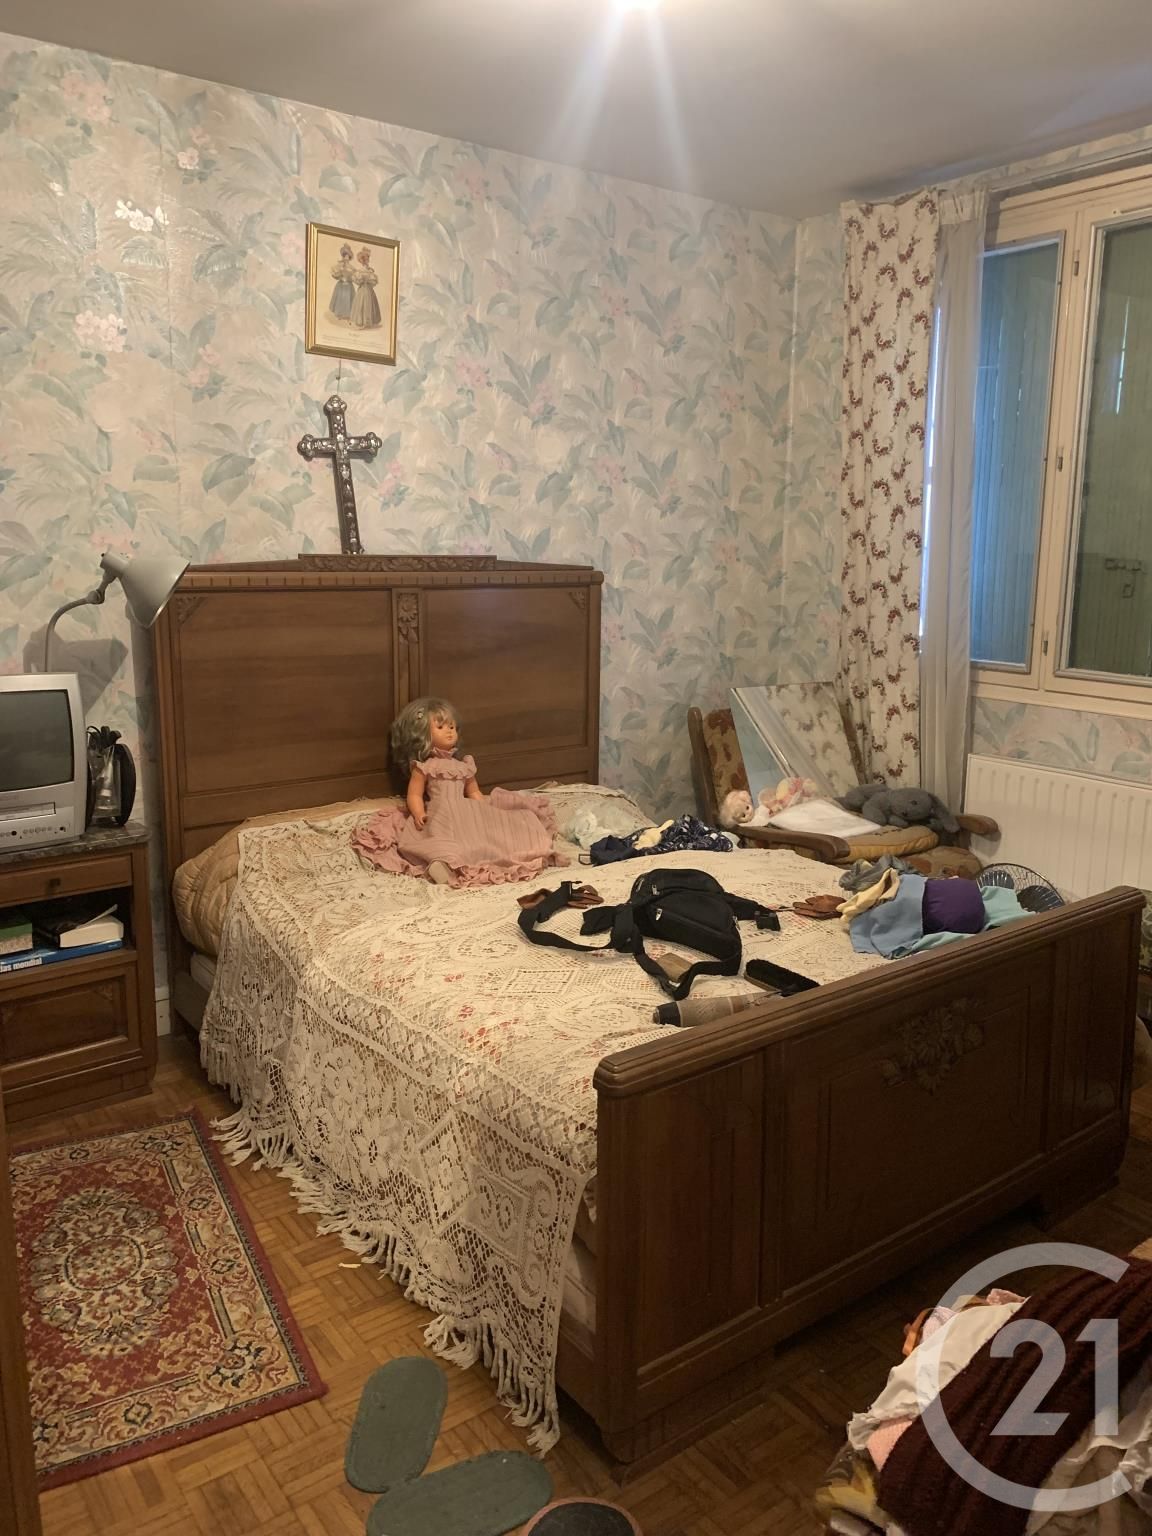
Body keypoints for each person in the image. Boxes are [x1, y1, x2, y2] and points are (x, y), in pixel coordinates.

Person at [352, 697, 565, 887]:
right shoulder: (424, 767)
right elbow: (415, 794)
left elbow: (473, 792)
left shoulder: (463, 766)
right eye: (441, 726)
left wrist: (485, 811)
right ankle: (441, 864)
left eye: (452, 726)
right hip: (439, 811)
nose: (449, 731)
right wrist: (418, 812)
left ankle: (473, 859)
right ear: (421, 733)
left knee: (480, 840)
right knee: (439, 837)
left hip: (466, 812)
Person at [349, 246, 382, 330]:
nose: (368, 260)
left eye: (368, 258)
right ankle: (362, 322)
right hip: (363, 289)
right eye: (366, 258)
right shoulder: (360, 270)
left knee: (369, 304)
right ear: (363, 260)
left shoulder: (370, 270)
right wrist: (363, 280)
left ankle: (368, 322)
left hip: (369, 289)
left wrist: (369, 279)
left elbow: (374, 281)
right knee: (362, 304)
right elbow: (357, 280)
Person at [327, 242, 355, 323]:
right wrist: (340, 276)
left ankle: (348, 314)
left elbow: (354, 276)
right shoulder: (340, 265)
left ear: (349, 257)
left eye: (348, 256)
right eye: (345, 255)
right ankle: (340, 314)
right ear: (343, 256)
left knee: (348, 298)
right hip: (341, 284)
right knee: (341, 298)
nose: (346, 257)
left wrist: (349, 279)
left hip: (348, 285)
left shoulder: (351, 267)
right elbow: (335, 274)